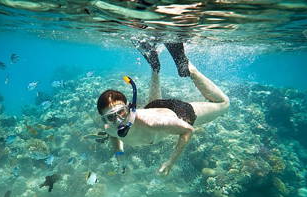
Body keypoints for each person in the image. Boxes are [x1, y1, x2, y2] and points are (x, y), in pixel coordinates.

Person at [97, 42, 230, 176]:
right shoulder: (110, 128)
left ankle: (187, 67)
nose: (119, 120)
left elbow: (188, 130)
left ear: (130, 107)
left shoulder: (152, 123)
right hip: (153, 107)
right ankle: (155, 66)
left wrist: (170, 162)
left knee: (224, 104)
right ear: (104, 120)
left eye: (121, 112)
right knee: (153, 103)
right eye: (111, 117)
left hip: (179, 112)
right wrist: (119, 155)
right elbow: (114, 136)